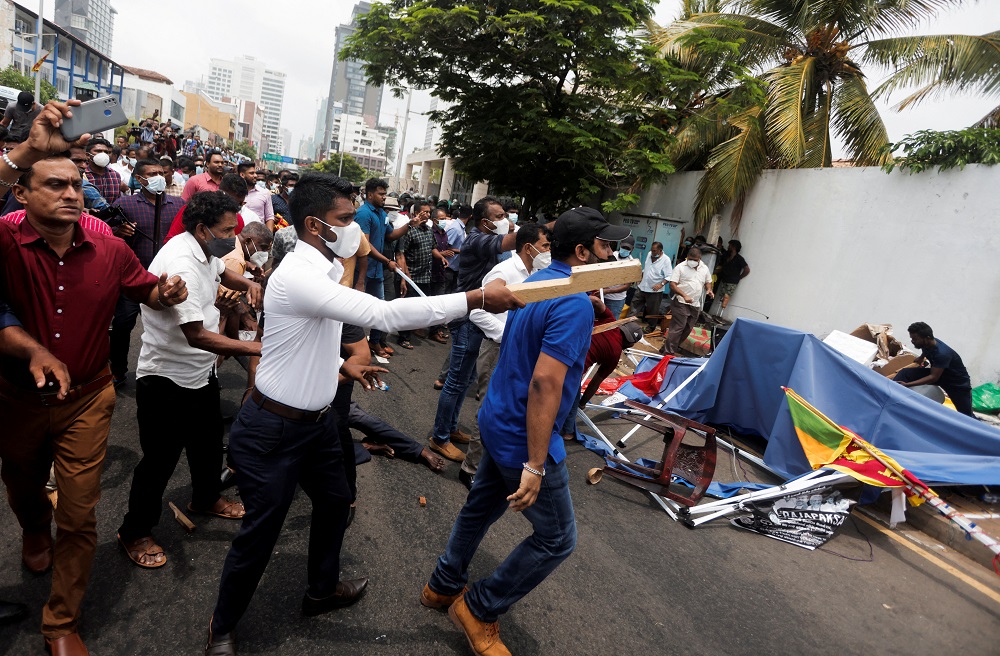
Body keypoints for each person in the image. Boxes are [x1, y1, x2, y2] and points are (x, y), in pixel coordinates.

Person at [203, 172, 522, 655]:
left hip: (316, 427)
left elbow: (296, 341)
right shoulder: (301, 276)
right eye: (347, 219)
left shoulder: (324, 273)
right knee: (261, 534)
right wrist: (475, 298)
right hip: (272, 428)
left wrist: (342, 365)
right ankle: (222, 628)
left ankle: (321, 589)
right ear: (315, 225)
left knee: (335, 504)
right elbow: (386, 315)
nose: (358, 229)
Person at [0, 99, 188, 655]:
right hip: (15, 399)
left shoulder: (110, 246)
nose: (71, 194)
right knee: (22, 483)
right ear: (21, 193)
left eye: (77, 186)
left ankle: (61, 623)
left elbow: (145, 289)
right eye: (55, 184)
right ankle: (34, 527)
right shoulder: (5, 240)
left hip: (88, 399)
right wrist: (27, 150)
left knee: (80, 516)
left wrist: (166, 291)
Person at [421, 207, 629, 656]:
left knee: (479, 509)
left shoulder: (535, 283)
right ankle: (479, 607)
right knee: (557, 538)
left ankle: (442, 585)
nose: (612, 253)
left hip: (497, 417)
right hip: (524, 433)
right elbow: (546, 382)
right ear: (581, 251)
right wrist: (535, 464)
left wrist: (583, 304)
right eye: (605, 246)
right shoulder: (571, 303)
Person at [117, 192, 264, 570]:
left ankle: (206, 498)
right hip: (166, 378)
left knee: (207, 443)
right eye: (227, 231)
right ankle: (134, 531)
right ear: (202, 229)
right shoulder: (180, 261)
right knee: (160, 461)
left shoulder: (204, 250)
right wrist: (257, 348)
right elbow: (196, 335)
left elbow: (220, 270)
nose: (232, 238)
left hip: (200, 373)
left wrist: (246, 282)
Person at [460, 222, 552, 489]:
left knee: (509, 408)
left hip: (518, 349)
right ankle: (471, 468)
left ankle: (493, 465)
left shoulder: (535, 272)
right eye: (545, 246)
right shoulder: (504, 272)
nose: (548, 252)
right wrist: (508, 334)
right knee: (490, 408)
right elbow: (477, 311)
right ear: (529, 247)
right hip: (497, 349)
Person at [429, 196, 518, 463]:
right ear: (485, 222)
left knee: (466, 378)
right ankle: (439, 437)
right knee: (456, 380)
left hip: (481, 318)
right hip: (469, 317)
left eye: (506, 215)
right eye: (501, 216)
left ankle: (452, 427)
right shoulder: (477, 239)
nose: (506, 220)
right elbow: (510, 241)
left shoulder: (485, 238)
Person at [108, 158, 184, 386]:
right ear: (140, 179)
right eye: (153, 173)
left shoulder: (178, 205)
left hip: (166, 279)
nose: (159, 177)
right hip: (133, 278)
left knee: (171, 327)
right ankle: (118, 371)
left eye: (162, 172)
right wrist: (118, 231)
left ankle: (167, 373)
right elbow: (107, 233)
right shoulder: (125, 204)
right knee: (122, 325)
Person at [356, 178, 419, 358]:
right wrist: (387, 261)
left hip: (377, 271)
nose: (384, 197)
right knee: (357, 311)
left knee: (382, 309)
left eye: (385, 193)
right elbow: (365, 246)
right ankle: (355, 347)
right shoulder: (363, 214)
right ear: (369, 194)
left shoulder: (382, 214)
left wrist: (409, 225)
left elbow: (391, 236)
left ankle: (374, 341)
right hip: (363, 271)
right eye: (381, 194)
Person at [897, 322, 974, 417]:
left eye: (915, 339)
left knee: (967, 416)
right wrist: (921, 358)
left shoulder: (942, 354)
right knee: (905, 373)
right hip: (940, 375)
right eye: (911, 338)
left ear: (927, 338)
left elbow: (933, 378)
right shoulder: (927, 344)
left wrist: (907, 384)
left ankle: (981, 431)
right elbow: (925, 350)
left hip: (957, 384)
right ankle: (891, 394)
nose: (912, 341)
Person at [395, 200, 438, 349]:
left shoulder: (428, 230)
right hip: (412, 275)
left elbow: (432, 248)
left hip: (425, 275)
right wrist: (405, 275)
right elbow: (401, 253)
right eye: (424, 212)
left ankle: (414, 329)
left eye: (428, 212)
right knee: (409, 308)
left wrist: (442, 257)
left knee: (421, 306)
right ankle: (403, 337)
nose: (427, 214)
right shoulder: (408, 230)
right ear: (415, 213)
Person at [662, 246, 713, 355]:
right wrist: (684, 295)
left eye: (695, 260)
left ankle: (669, 347)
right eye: (691, 259)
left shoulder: (704, 268)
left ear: (699, 258)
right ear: (687, 257)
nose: (692, 262)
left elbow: (708, 281)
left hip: (695, 303)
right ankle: (668, 352)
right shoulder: (680, 267)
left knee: (688, 328)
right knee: (678, 327)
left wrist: (709, 289)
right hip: (680, 302)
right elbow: (672, 284)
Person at [628, 241, 671, 333]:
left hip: (654, 290)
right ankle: (628, 324)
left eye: (655, 251)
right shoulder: (649, 254)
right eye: (652, 250)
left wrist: (661, 284)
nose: (652, 253)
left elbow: (669, 276)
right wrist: (641, 276)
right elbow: (646, 268)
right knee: (634, 305)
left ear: (660, 251)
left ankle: (650, 328)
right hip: (642, 286)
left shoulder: (666, 260)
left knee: (653, 311)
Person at [67, 146, 110, 213]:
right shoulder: (84, 186)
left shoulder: (84, 185)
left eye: (85, 162)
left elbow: (105, 209)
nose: (84, 166)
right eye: (77, 161)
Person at [603, 234, 635, 319]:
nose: (625, 250)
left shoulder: (631, 264)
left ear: (632, 249)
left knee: (611, 325)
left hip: (616, 301)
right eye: (623, 247)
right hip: (603, 297)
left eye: (628, 248)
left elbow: (626, 286)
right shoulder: (612, 255)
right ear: (620, 245)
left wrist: (608, 291)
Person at [84, 137, 123, 205]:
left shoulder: (115, 175)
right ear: (87, 155)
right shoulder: (82, 175)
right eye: (98, 151)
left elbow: (117, 200)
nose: (103, 154)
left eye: (106, 152)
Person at [238, 161, 275, 230]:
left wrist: (268, 238)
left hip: (258, 236)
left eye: (255, 173)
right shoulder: (234, 192)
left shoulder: (265, 193)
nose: (255, 176)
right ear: (242, 175)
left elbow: (269, 217)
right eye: (251, 173)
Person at [716, 239, 749, 314]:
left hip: (732, 281)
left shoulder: (739, 258)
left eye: (730, 246)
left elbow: (747, 269)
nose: (728, 247)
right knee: (721, 297)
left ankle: (720, 315)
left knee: (726, 298)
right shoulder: (726, 256)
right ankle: (717, 313)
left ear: (733, 247)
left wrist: (739, 277)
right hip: (724, 279)